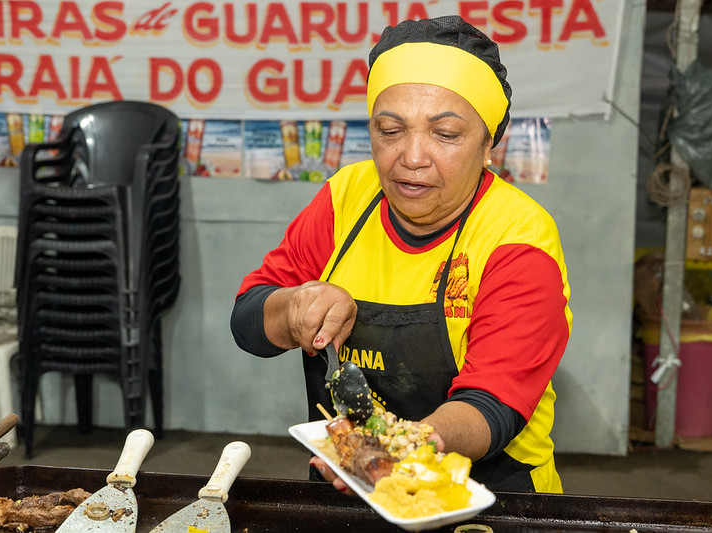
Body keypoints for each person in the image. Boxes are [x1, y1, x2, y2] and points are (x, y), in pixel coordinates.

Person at [231, 15, 572, 493]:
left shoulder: (517, 237)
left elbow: (494, 404)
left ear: (490, 142)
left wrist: (404, 449)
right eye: (391, 130)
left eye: (446, 134)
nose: (412, 156)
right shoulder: (347, 197)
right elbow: (248, 322)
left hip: (488, 497)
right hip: (343, 486)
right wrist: (293, 309)